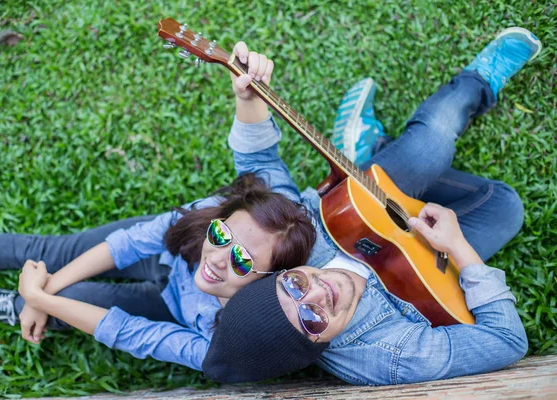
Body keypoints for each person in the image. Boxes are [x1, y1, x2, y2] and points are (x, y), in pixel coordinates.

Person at [201, 27, 541, 384]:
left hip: (360, 201)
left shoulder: (285, 248)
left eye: (296, 285)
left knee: (431, 146)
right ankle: (370, 146)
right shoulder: (387, 357)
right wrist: (457, 246)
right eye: (311, 319)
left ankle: (481, 79)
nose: (320, 291)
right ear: (315, 349)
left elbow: (260, 166)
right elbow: (505, 341)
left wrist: (248, 96)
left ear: (279, 273)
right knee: (505, 207)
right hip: (428, 259)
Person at [0, 47, 317, 371]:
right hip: (167, 253)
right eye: (222, 235)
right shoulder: (213, 214)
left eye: (242, 260)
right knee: (48, 253)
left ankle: (24, 307)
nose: (218, 258)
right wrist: (41, 293)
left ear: (269, 281)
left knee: (69, 301)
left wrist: (38, 296)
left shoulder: (230, 343)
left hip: (166, 308)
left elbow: (132, 333)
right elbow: (128, 244)